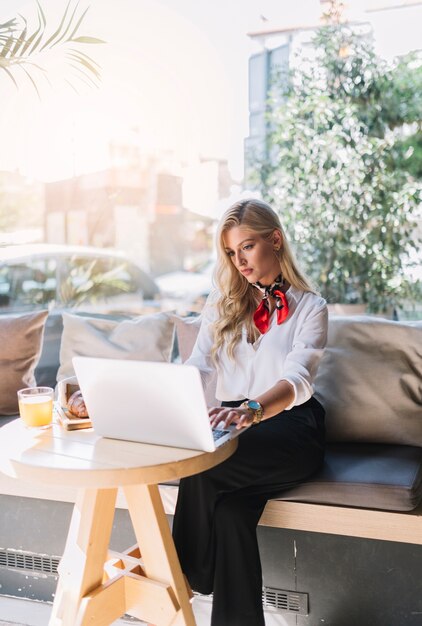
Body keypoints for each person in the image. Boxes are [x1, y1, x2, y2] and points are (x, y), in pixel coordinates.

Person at [172, 198, 328, 626]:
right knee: (230, 515)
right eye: (230, 252)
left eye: (247, 247)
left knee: (202, 468)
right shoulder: (221, 303)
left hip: (291, 427)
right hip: (232, 422)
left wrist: (255, 409)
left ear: (274, 239)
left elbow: (299, 380)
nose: (238, 260)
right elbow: (198, 368)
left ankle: (180, 578)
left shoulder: (311, 307)